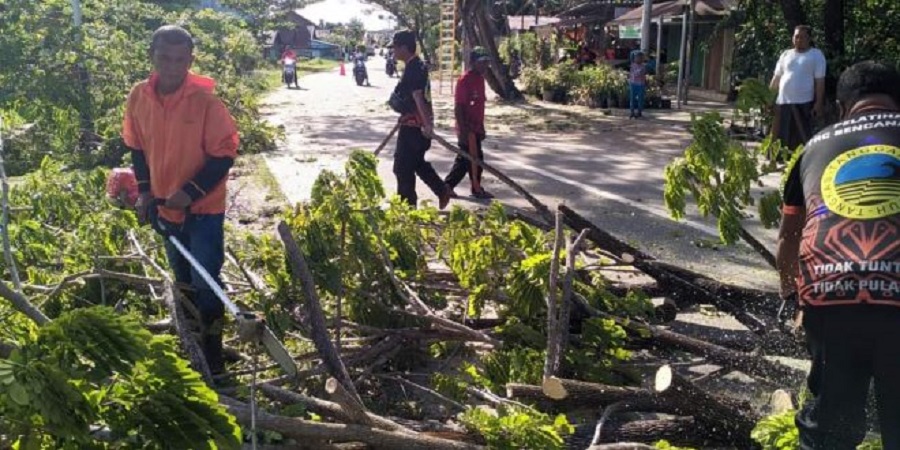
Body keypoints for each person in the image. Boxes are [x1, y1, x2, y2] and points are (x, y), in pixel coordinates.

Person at [777, 60, 900, 449]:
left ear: (842, 107)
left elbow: (787, 240)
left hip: (828, 298)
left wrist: (791, 299)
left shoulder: (813, 146)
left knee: (831, 429)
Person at [123, 25, 239, 375]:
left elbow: (224, 156)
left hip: (203, 210)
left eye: (180, 60)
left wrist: (189, 193)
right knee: (182, 276)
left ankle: (214, 355)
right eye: (164, 58)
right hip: (164, 207)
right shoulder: (138, 96)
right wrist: (145, 192)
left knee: (206, 278)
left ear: (190, 60)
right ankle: (191, 339)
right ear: (152, 57)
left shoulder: (206, 102)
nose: (172, 66)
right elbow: (137, 147)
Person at [386, 30, 451, 209]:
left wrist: (427, 124)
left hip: (414, 128)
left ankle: (407, 210)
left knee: (402, 168)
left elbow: (418, 97)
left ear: (404, 47)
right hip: (412, 124)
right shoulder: (415, 66)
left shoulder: (415, 68)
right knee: (415, 163)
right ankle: (441, 189)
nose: (393, 51)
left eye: (395, 47)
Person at [770, 25, 827, 158]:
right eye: (796, 37)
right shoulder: (785, 54)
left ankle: (800, 161)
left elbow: (820, 81)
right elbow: (776, 78)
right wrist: (767, 98)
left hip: (803, 102)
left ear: (809, 38)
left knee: (800, 136)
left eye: (802, 37)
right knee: (779, 135)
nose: (799, 40)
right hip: (782, 101)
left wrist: (818, 103)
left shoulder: (816, 55)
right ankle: (777, 160)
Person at [444, 47, 493, 200]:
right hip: (467, 129)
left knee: (473, 159)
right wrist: (464, 132)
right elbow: (459, 107)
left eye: (487, 62)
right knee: (467, 159)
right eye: (482, 62)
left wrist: (482, 128)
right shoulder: (464, 80)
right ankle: (449, 186)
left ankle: (473, 187)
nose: (485, 66)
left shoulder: (480, 79)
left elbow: (480, 106)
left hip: (476, 127)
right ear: (473, 63)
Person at [628, 51, 647, 119]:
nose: (639, 59)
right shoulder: (632, 65)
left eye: (641, 58)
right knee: (632, 98)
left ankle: (639, 112)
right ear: (634, 58)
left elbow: (642, 74)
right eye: (637, 58)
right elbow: (634, 74)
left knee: (640, 99)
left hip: (641, 84)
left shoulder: (643, 66)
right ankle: (632, 112)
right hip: (633, 84)